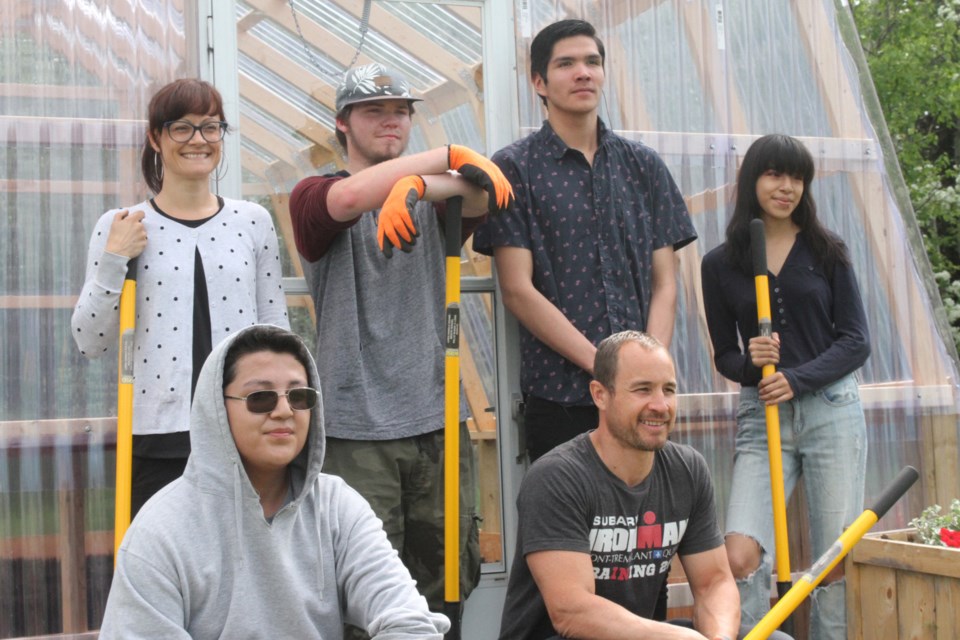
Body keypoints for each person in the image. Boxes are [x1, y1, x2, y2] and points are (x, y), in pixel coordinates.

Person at [288, 63, 513, 631]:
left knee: (447, 586)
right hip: (354, 430)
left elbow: (486, 194)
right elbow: (353, 197)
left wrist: (415, 185)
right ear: (342, 124)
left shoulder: (432, 203)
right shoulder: (312, 196)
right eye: (374, 111)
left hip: (437, 421)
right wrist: (448, 155)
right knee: (363, 589)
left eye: (401, 112)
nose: (391, 121)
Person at [98, 324, 449, 638]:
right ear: (217, 410)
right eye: (260, 397)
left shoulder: (337, 507)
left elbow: (409, 622)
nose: (284, 411)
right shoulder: (161, 530)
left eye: (299, 396)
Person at [473, 19, 697, 463]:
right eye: (567, 64)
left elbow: (665, 284)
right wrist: (607, 369)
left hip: (640, 404)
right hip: (561, 396)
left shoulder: (644, 166)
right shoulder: (514, 169)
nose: (583, 73)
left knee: (643, 528)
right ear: (539, 81)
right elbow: (518, 289)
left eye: (592, 62)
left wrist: (647, 376)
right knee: (564, 529)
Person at [71, 78, 289, 516]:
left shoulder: (253, 221)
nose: (198, 140)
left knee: (245, 572)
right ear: (156, 137)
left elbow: (276, 331)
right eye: (182, 127)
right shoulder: (121, 224)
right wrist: (115, 257)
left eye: (211, 127)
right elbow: (89, 339)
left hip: (244, 430)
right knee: (162, 574)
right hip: (157, 438)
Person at [499, 331, 792, 640]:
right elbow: (573, 612)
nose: (660, 405)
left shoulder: (687, 471)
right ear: (600, 395)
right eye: (642, 390)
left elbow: (714, 583)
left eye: (669, 390)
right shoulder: (557, 477)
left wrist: (718, 637)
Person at [700, 134, 870, 639]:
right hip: (762, 416)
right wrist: (753, 365)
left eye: (797, 177)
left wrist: (796, 378)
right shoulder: (720, 263)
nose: (787, 187)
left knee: (832, 558)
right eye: (775, 174)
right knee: (739, 554)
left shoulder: (827, 251)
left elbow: (856, 341)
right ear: (752, 181)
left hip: (832, 411)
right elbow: (725, 355)